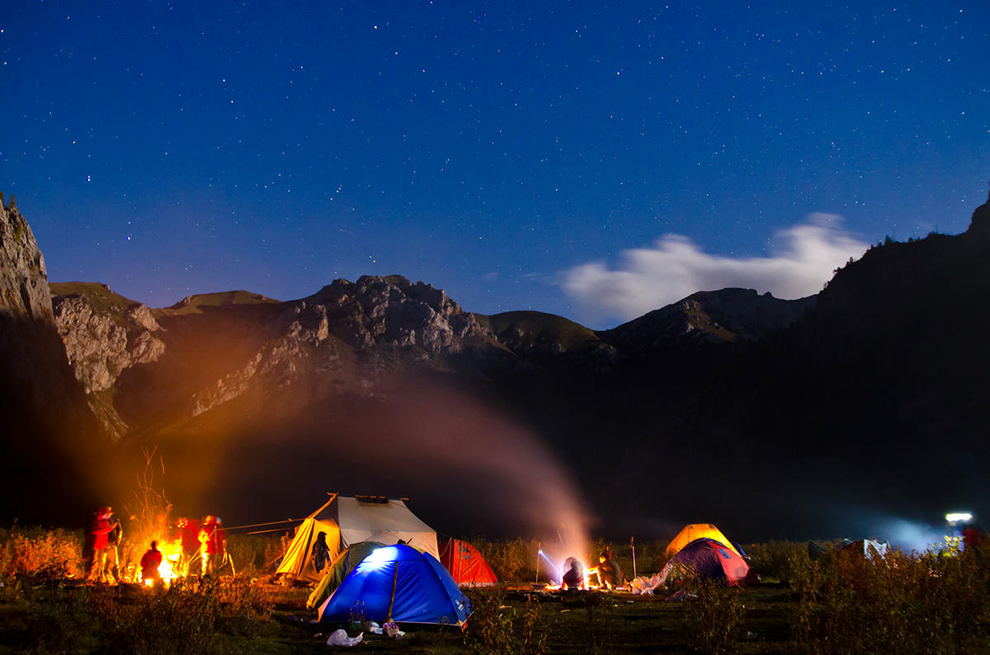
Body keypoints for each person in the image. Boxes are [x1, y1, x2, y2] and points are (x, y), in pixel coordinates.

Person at [84, 506, 119, 583]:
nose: (109, 516)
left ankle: (98, 578)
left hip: (102, 545)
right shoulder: (96, 521)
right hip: (95, 544)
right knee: (94, 561)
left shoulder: (105, 521)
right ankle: (89, 578)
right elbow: (94, 532)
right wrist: (109, 529)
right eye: (108, 514)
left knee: (101, 562)